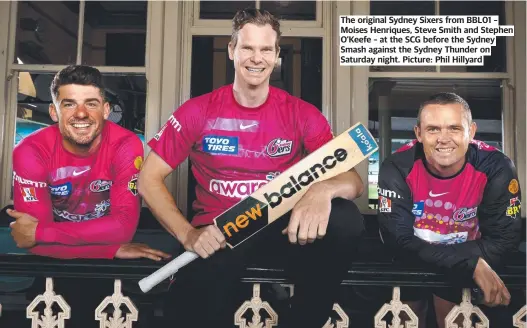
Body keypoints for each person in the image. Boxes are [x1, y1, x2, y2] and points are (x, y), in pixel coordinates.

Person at [138, 8, 366, 328]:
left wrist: (322, 189)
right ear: (232, 50)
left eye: (265, 49)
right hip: (221, 234)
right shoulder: (198, 111)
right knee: (190, 312)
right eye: (247, 47)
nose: (256, 58)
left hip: (281, 230)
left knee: (346, 218)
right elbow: (148, 179)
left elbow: (354, 181)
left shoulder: (302, 114)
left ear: (276, 55)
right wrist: (187, 234)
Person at [7, 65, 170, 327]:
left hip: (106, 275)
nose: (81, 113)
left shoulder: (125, 144)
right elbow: (32, 243)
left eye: (91, 103)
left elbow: (122, 229)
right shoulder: (30, 150)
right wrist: (110, 249)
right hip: (53, 267)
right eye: (69, 104)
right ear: (53, 111)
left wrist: (41, 232)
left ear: (106, 110)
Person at [376, 92, 522, 328]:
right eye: (433, 129)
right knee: (406, 318)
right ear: (418, 134)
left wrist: (467, 262)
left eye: (454, 128)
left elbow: (505, 239)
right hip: (413, 260)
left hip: (470, 255)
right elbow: (398, 240)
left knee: (452, 319)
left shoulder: (496, 166)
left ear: (471, 132)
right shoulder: (397, 165)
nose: (443, 139)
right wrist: (470, 262)